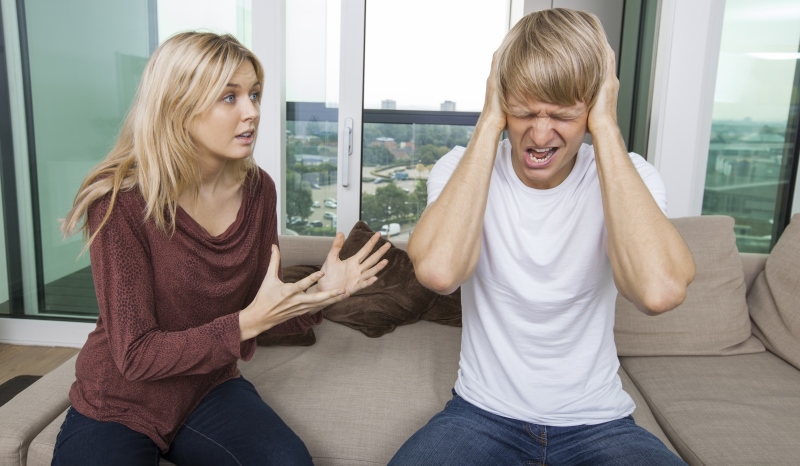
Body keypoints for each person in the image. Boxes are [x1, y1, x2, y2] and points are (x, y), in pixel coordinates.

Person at [53, 32, 390, 466]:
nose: (252, 112)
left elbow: (258, 309)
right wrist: (245, 323)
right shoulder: (121, 202)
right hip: (120, 402)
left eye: (254, 94)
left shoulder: (258, 190)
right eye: (229, 98)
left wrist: (321, 290)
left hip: (205, 389)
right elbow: (135, 356)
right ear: (177, 105)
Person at [390, 8, 695, 466]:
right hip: (482, 415)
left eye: (563, 115)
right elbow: (439, 272)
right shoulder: (461, 169)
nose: (538, 134)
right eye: (523, 111)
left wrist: (606, 127)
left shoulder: (631, 177)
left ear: (592, 108)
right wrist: (490, 120)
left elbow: (658, 291)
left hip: (599, 423)